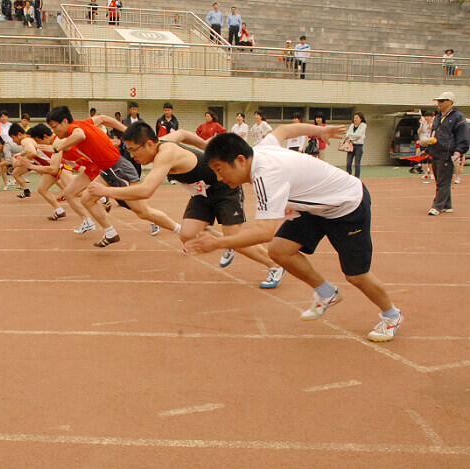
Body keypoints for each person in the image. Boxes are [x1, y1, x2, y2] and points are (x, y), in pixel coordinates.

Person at [186, 124, 405, 342]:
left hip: (347, 206)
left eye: (219, 169)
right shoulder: (261, 149)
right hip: (314, 207)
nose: (219, 178)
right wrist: (320, 131)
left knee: (356, 275)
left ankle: (392, 316)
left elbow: (265, 232)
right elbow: (284, 130)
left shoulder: (266, 176)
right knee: (279, 251)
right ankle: (327, 293)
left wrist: (218, 243)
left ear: (241, 160)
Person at [88, 122, 284, 287]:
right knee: (187, 234)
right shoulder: (162, 142)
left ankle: (274, 265)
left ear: (149, 144)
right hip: (201, 194)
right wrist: (205, 145)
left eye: (133, 150)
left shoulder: (166, 154)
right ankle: (229, 243)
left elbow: (146, 190)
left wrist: (107, 191)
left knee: (235, 237)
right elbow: (182, 133)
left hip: (223, 187)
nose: (132, 156)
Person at [40, 106, 178, 246]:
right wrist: (127, 131)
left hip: (118, 170)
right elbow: (103, 118)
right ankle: (110, 233)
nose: (54, 131)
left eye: (54, 127)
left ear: (64, 121)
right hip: (106, 170)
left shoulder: (73, 129)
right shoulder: (84, 123)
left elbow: (80, 135)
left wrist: (57, 147)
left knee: (144, 212)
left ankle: (180, 230)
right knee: (86, 199)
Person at [427, 92, 469, 215]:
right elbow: (434, 134)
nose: (438, 103)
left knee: (444, 181)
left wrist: (459, 151)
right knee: (440, 180)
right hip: (436, 152)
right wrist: (427, 149)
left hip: (447, 153)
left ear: (450, 102)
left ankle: (437, 206)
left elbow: (463, 136)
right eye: (438, 101)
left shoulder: (458, 117)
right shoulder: (438, 116)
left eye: (442, 101)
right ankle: (447, 205)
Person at [343, 112, 366, 178]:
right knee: (348, 162)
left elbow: (358, 135)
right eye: (354, 117)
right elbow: (347, 135)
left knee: (357, 163)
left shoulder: (363, 125)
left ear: (361, 119)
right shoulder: (352, 125)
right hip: (351, 145)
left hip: (359, 146)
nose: (355, 119)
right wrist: (352, 136)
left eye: (357, 118)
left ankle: (357, 177)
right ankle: (348, 176)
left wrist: (351, 136)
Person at [419, 110, 434, 182]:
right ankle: (425, 174)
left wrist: (430, 123)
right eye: (425, 116)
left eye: (428, 116)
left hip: (430, 141)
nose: (427, 118)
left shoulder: (433, 123)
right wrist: (422, 125)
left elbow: (432, 130)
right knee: (424, 158)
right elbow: (419, 132)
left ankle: (432, 173)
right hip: (423, 141)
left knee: (430, 159)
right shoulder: (423, 123)